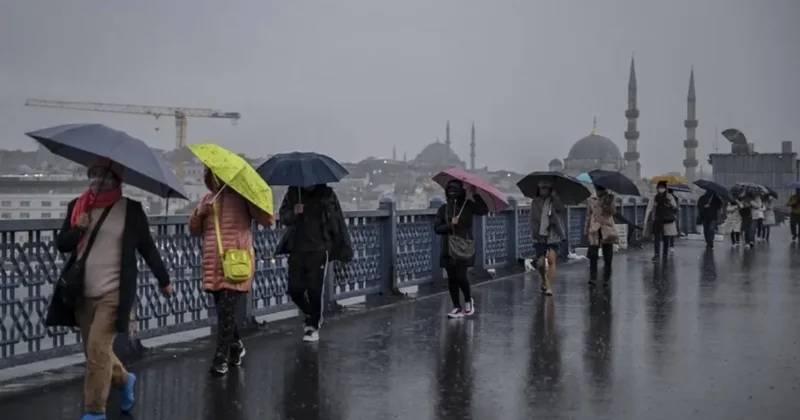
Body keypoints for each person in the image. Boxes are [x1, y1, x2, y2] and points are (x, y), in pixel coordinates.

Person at [45, 158, 173, 420]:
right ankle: (125, 380)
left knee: (97, 352)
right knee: (95, 352)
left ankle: (94, 411)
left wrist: (164, 280)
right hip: (82, 292)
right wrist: (77, 228)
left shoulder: (131, 210)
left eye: (104, 175)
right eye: (94, 174)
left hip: (114, 293)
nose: (98, 179)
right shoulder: (78, 207)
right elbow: (62, 244)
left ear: (117, 179)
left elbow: (147, 248)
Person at [189, 167, 274, 375]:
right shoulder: (207, 199)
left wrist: (253, 204)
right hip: (213, 262)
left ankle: (221, 358)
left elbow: (267, 220)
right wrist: (200, 214)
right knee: (223, 312)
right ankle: (235, 346)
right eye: (215, 176)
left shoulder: (243, 199)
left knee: (226, 309)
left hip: (236, 261)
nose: (219, 180)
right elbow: (194, 230)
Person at [276, 183, 353, 341]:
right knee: (294, 289)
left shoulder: (327, 195)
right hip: (297, 248)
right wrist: (294, 213)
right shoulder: (293, 193)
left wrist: (342, 246)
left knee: (314, 289)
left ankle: (313, 327)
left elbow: (337, 221)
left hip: (319, 249)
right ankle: (310, 314)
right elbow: (283, 217)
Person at [433, 180, 489, 318]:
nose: (453, 194)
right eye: (450, 191)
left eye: (455, 191)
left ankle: (468, 300)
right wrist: (449, 225)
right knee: (451, 278)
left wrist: (475, 195)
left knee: (461, 275)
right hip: (447, 247)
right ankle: (457, 307)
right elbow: (437, 228)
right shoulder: (443, 209)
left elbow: (483, 210)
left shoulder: (468, 206)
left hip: (463, 246)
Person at [529, 180, 566, 296]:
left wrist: (555, 199)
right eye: (541, 188)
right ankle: (544, 281)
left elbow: (562, 209)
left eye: (545, 187)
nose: (543, 190)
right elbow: (533, 218)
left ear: (550, 189)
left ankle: (550, 287)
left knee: (551, 259)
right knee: (540, 263)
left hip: (553, 233)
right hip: (540, 233)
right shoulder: (535, 202)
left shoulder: (555, 201)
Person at [584, 185, 618, 286]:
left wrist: (607, 204)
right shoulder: (591, 199)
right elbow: (588, 215)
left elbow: (613, 212)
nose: (598, 192)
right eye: (597, 190)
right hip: (594, 228)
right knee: (593, 254)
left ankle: (606, 278)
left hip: (606, 228)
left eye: (601, 190)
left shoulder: (610, 198)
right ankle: (593, 277)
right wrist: (586, 230)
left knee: (608, 256)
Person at [644, 181, 678, 261]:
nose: (660, 189)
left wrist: (669, 202)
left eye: (662, 187)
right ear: (657, 188)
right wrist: (647, 219)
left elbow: (675, 206)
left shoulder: (669, 196)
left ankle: (665, 254)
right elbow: (649, 208)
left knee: (666, 237)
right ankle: (656, 254)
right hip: (657, 220)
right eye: (659, 187)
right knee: (657, 238)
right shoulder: (654, 197)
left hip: (667, 220)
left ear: (665, 188)